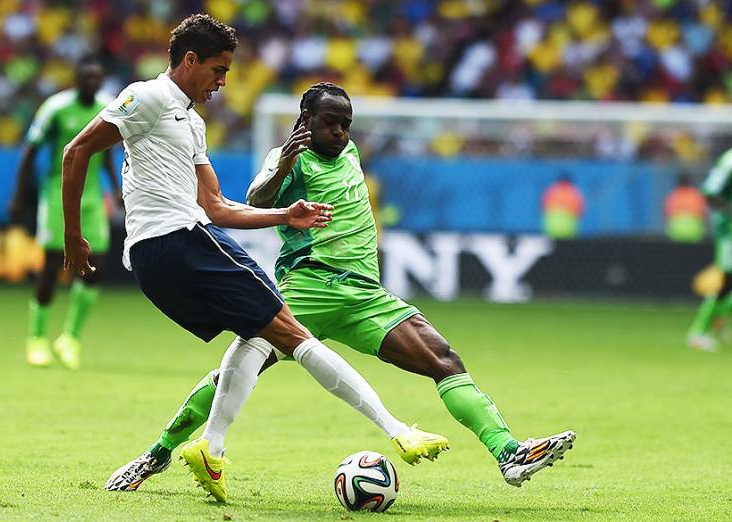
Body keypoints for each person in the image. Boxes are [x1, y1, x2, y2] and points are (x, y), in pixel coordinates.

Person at [105, 82, 577, 494]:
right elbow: (255, 200)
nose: (340, 132)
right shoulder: (289, 159)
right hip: (309, 286)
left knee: (443, 359)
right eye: (331, 123)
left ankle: (508, 452)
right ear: (305, 122)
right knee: (238, 371)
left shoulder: (348, 152)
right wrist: (282, 164)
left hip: (364, 295)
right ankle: (159, 452)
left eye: (346, 124)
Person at [61, 15, 447, 503]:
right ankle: (397, 430)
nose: (223, 81)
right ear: (190, 60)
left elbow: (218, 206)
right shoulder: (148, 97)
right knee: (293, 333)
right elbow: (76, 153)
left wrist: (287, 214)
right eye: (218, 70)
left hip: (158, 261)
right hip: (179, 240)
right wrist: (73, 235)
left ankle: (209, 449)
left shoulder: (192, 122)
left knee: (258, 336)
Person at [10, 56, 118, 370]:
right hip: (57, 196)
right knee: (51, 266)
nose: (92, 84)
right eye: (87, 78)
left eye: (97, 79)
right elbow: (30, 151)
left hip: (93, 198)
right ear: (77, 78)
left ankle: (70, 338)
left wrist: (116, 188)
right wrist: (19, 196)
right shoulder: (55, 109)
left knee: (94, 268)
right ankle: (37, 338)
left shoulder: (106, 107)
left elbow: (107, 153)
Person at [688, 148, 732, 352]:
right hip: (729, 231)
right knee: (727, 280)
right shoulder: (730, 160)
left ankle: (720, 321)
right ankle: (699, 332)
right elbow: (710, 191)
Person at [664, 173, 707, 243]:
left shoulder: (672, 196)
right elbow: (704, 215)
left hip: (675, 232)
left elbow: (667, 214)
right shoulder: (696, 195)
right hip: (695, 232)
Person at [541, 173, 584, 239]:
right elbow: (580, 211)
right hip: (568, 228)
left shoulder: (551, 190)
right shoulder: (574, 192)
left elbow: (543, 206)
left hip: (550, 227)